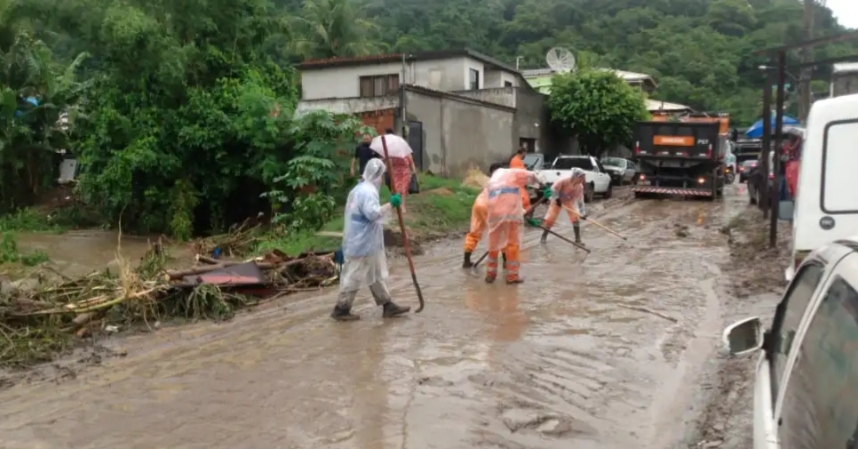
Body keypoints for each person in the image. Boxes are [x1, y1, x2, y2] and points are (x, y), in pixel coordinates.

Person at [331, 159, 411, 321]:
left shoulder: (359, 188)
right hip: (362, 242)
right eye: (382, 175)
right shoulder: (368, 192)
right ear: (376, 175)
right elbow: (372, 214)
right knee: (354, 275)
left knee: (375, 274)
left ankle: (387, 304)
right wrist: (391, 204)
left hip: (363, 240)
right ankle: (341, 309)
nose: (382, 179)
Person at [484, 168, 540, 284]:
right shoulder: (513, 175)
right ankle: (512, 276)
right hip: (511, 216)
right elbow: (533, 176)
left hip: (494, 215)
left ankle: (490, 274)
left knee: (493, 245)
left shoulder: (493, 182)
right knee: (512, 244)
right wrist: (543, 185)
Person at [462, 163, 503, 268]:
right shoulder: (503, 182)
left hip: (478, 203)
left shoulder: (490, 181)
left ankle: (466, 261)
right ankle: (506, 262)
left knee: (474, 232)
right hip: (488, 206)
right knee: (501, 233)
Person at [539, 167, 587, 244]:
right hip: (557, 201)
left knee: (575, 218)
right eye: (581, 178)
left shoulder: (579, 187)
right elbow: (554, 189)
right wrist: (557, 199)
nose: (582, 180)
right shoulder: (564, 180)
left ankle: (578, 240)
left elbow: (580, 200)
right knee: (551, 218)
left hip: (568, 201)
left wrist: (582, 213)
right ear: (576, 176)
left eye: (583, 178)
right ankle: (543, 237)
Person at [385, 128, 418, 214]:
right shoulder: (392, 153)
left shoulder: (406, 152)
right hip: (395, 173)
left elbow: (411, 163)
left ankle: (403, 206)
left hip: (405, 173)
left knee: (403, 190)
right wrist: (387, 171)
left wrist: (414, 172)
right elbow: (389, 164)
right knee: (395, 189)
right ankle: (395, 205)